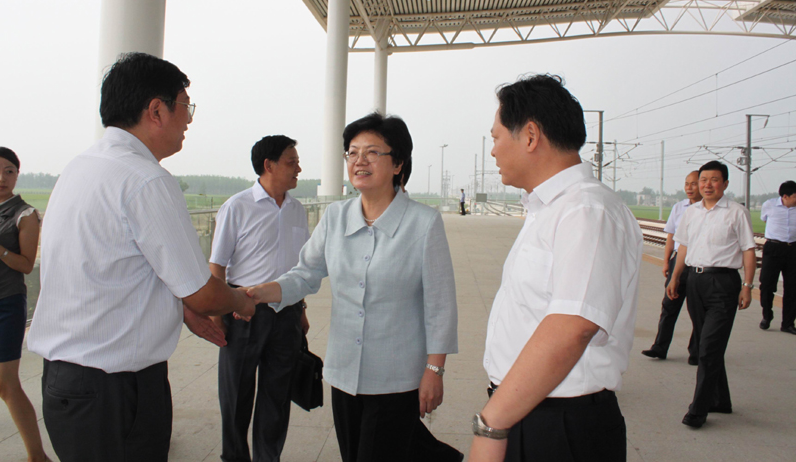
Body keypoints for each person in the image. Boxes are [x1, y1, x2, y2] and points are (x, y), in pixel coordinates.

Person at [26, 52, 256, 462]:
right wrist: (241, 299)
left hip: (67, 382)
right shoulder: (146, 180)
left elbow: (112, 267)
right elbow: (204, 294)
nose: (188, 120)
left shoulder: (81, 167)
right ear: (156, 111)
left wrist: (179, 308)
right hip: (114, 391)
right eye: (185, 106)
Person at [246, 113, 460, 462]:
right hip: (344, 373)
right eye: (353, 152)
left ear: (398, 164)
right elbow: (304, 274)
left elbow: (440, 304)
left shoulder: (423, 223)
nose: (360, 161)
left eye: (372, 152)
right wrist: (258, 293)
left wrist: (434, 370)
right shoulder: (336, 217)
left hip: (396, 376)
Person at [469, 74, 642, 462]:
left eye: (496, 137)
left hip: (559, 426)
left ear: (530, 136)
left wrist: (491, 426)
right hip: (526, 408)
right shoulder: (551, 209)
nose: (493, 151)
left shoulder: (586, 210)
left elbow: (572, 327)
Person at [209, 135, 310, 462]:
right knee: (236, 394)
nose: (298, 169)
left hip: (287, 312)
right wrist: (217, 315)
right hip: (244, 312)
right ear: (269, 165)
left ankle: (268, 458)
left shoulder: (297, 210)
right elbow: (217, 265)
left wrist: (301, 309)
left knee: (277, 395)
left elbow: (300, 267)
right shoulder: (237, 207)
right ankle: (235, 456)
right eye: (291, 162)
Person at [666, 161, 756, 429]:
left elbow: (748, 249)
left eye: (714, 180)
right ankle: (721, 400)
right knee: (708, 345)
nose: (707, 185)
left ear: (725, 184)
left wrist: (747, 286)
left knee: (707, 348)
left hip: (723, 283)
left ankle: (698, 410)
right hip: (695, 281)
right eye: (703, 180)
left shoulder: (737, 212)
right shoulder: (691, 212)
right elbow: (683, 247)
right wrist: (675, 277)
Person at [0, 147, 49, 462]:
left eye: (8, 171)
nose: (1, 178)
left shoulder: (25, 214)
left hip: (6, 305)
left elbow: (27, 265)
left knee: (5, 384)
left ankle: (37, 456)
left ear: (17, 175)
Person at [641, 171, 701, 365]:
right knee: (669, 305)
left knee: (697, 310)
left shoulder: (708, 209)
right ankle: (659, 347)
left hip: (698, 263)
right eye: (686, 184)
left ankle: (696, 352)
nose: (689, 188)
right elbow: (671, 236)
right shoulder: (678, 207)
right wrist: (667, 261)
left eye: (693, 184)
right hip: (678, 261)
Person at [758, 180, 796, 334]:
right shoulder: (770, 205)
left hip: (793, 249)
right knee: (767, 285)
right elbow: (764, 219)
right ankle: (767, 316)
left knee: (792, 288)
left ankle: (788, 323)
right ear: (785, 196)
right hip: (773, 248)